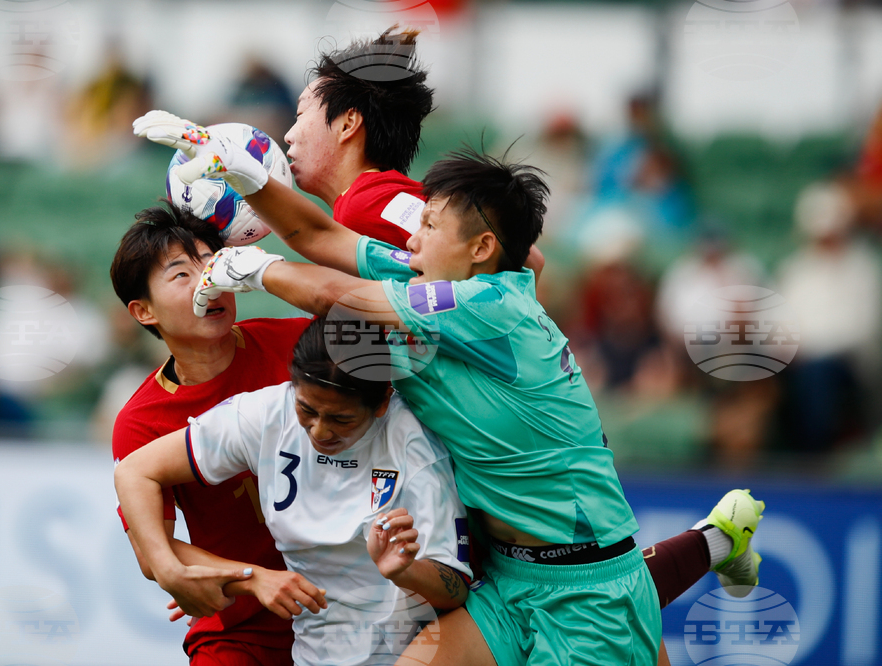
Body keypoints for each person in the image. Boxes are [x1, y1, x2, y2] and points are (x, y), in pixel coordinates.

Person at [178, 140, 766, 665]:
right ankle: (721, 536)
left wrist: (253, 269)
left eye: (429, 224)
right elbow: (320, 238)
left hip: (585, 589)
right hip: (509, 579)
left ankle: (721, 536)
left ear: (482, 247)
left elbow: (341, 294)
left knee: (629, 597)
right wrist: (241, 171)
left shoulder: (494, 308)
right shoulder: (435, 281)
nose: (411, 236)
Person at [115, 317, 473, 666]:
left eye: (341, 419)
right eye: (307, 410)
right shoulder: (266, 413)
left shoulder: (414, 445)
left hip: (404, 653)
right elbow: (134, 471)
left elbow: (455, 588)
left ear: (382, 403)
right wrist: (171, 573)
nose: (319, 431)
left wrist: (403, 571)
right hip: (311, 652)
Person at [110, 200, 308, 665]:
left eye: (212, 264)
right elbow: (152, 550)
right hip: (240, 626)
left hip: (353, 604)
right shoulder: (140, 421)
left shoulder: (301, 342)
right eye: (181, 274)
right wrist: (253, 577)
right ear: (143, 312)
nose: (207, 281)